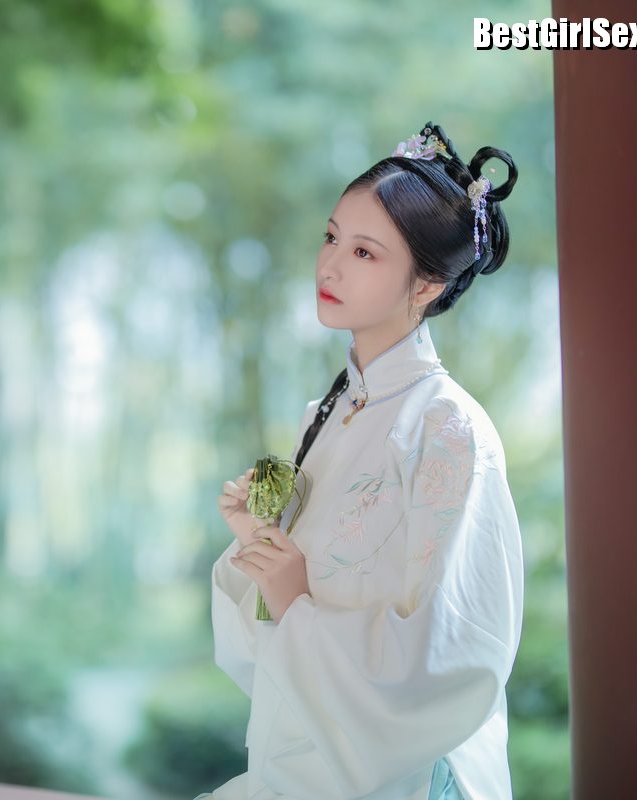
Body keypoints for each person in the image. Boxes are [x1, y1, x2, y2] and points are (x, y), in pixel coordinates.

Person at [201, 122, 524, 800]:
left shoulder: (449, 428)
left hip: (404, 777)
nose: (329, 266)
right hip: (302, 758)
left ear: (427, 284)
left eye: (364, 252)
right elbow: (267, 643)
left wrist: (294, 599)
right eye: (330, 238)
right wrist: (259, 546)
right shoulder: (323, 414)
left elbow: (454, 654)